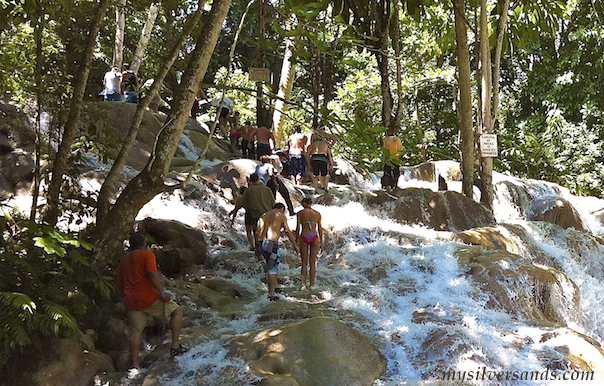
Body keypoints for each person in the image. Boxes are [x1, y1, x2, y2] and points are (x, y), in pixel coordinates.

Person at [116, 233, 186, 368]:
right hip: (150, 298)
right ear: (143, 244)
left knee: (136, 331)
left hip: (131, 301)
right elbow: (152, 274)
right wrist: (163, 292)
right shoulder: (147, 255)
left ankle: (135, 365)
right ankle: (175, 346)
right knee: (177, 311)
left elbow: (119, 288)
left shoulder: (123, 262)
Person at [257, 203, 299, 300]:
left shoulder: (264, 215)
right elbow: (288, 231)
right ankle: (271, 294)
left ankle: (275, 286)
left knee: (270, 265)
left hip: (261, 243)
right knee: (273, 269)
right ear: (282, 209)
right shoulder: (281, 216)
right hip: (272, 244)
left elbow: (257, 232)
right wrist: (295, 244)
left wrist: (257, 248)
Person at [240, 173, 274, 250]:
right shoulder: (267, 189)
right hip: (267, 213)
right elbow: (273, 202)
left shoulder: (248, 190)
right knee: (265, 231)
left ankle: (255, 248)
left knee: (255, 232)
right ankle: (267, 247)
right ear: (258, 179)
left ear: (251, 181)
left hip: (254, 214)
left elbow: (244, 203)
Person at [295, 197, 322, 290]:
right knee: (312, 263)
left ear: (304, 203)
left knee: (304, 263)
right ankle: (312, 284)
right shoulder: (318, 214)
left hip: (304, 236)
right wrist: (322, 242)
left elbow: (298, 228)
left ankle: (303, 284)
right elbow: (320, 229)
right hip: (315, 236)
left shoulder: (300, 213)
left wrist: (295, 241)